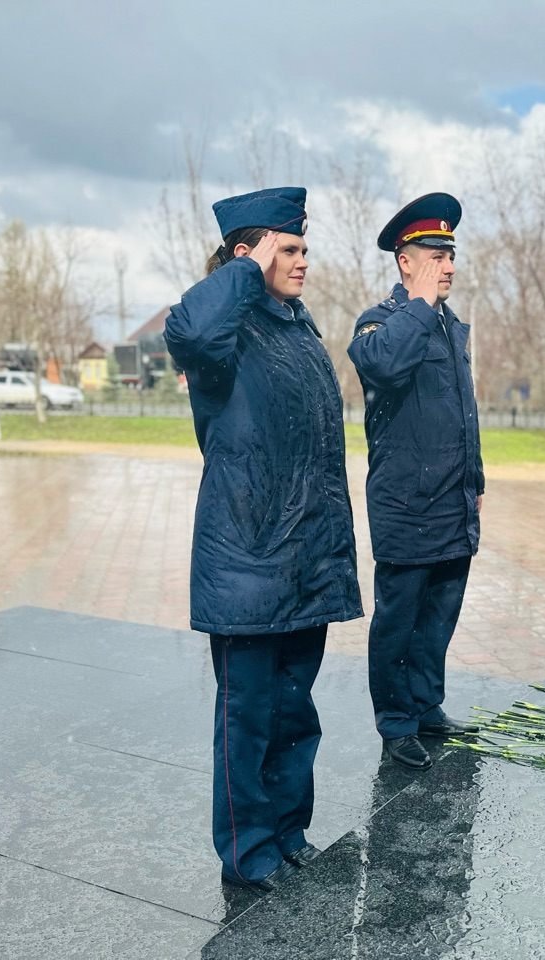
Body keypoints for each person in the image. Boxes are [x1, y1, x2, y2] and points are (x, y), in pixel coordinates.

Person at [164, 186, 363, 891]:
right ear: (246, 255)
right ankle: (248, 851)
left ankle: (287, 833)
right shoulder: (224, 338)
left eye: (306, 248)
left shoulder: (298, 330)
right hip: (246, 559)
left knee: (294, 712)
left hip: (305, 559)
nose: (303, 261)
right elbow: (189, 330)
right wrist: (246, 269)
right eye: (288, 249)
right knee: (246, 717)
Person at [347, 192, 484, 770]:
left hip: (452, 500)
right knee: (399, 622)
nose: (448, 266)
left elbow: (462, 411)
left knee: (438, 618)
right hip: (406, 504)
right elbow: (382, 365)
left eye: (451, 256)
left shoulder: (450, 326)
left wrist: (476, 480)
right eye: (435, 256)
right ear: (406, 261)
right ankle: (396, 723)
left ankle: (426, 706)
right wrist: (421, 305)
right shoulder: (380, 321)